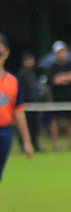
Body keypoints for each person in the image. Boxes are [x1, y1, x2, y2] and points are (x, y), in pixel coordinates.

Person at [0, 33, 34, 180]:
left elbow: (19, 111)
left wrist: (27, 142)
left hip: (6, 133)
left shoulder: (13, 81)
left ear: (7, 53)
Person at [47, 41, 71, 151]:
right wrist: (68, 76)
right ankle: (56, 145)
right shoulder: (53, 67)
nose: (61, 54)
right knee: (55, 120)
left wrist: (63, 77)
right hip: (57, 97)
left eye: (63, 51)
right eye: (59, 52)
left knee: (70, 120)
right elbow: (55, 81)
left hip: (69, 96)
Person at [16, 52, 45, 153]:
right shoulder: (21, 75)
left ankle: (35, 144)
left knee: (34, 126)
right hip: (26, 105)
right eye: (28, 61)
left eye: (31, 60)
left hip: (35, 104)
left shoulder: (33, 74)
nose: (30, 63)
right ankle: (23, 145)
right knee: (25, 125)